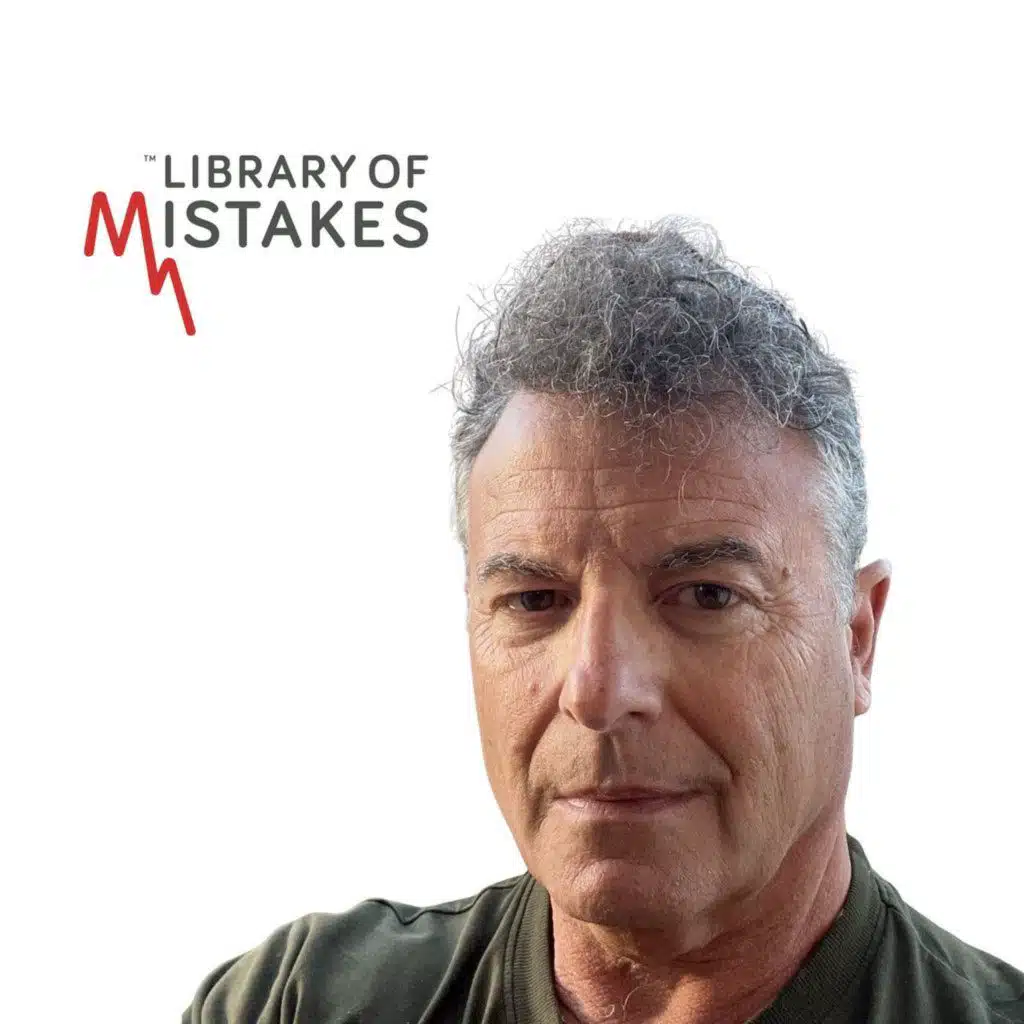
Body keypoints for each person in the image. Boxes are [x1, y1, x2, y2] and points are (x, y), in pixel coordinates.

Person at [183, 220, 1024, 1023]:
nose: (596, 691)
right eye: (534, 601)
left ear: (857, 642)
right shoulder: (298, 1004)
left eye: (707, 595)